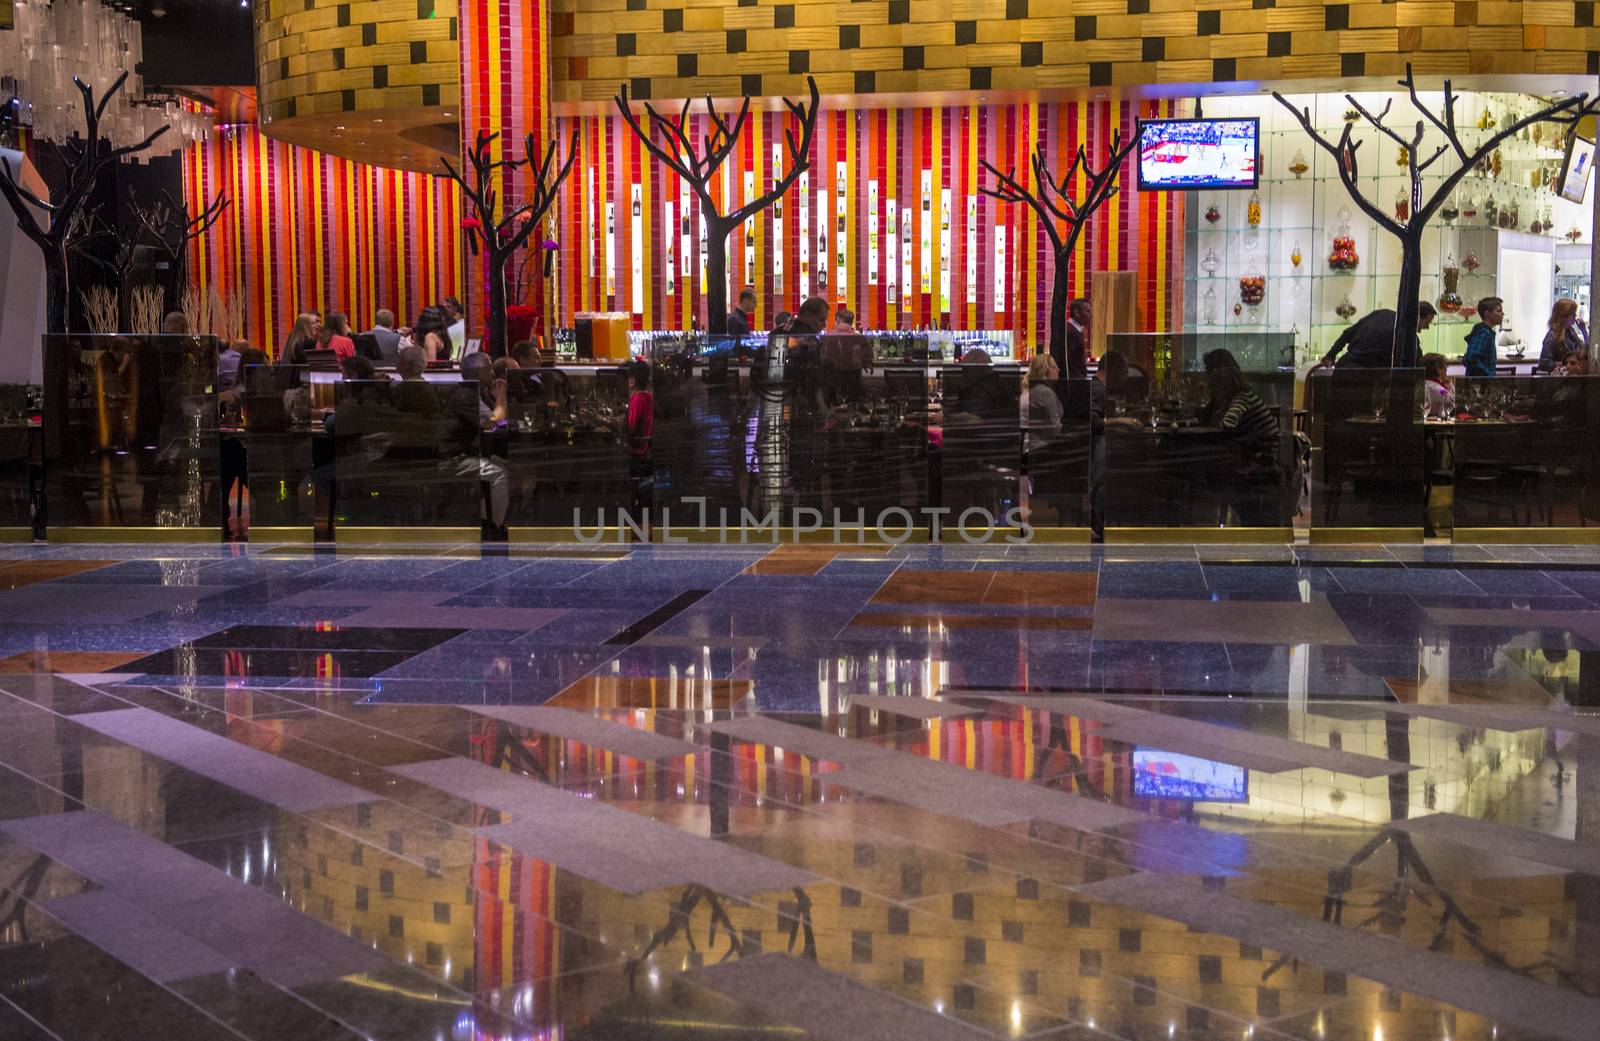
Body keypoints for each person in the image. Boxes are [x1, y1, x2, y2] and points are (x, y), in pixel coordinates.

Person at [457, 351, 510, 537]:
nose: (493, 373)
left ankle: (489, 516)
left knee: (508, 465)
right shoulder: (465, 396)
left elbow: (502, 420)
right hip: (459, 458)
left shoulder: (479, 393)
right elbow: (493, 423)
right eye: (489, 369)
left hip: (475, 453)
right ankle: (494, 525)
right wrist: (501, 397)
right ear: (477, 374)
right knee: (499, 474)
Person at [1319, 302, 1436, 369]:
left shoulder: (1381, 313)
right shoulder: (1406, 334)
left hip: (1344, 367)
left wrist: (1330, 355)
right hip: (1366, 377)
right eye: (1427, 323)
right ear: (1417, 317)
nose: (1427, 327)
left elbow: (1347, 333)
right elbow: (1418, 365)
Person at [1020, 351, 1063, 458]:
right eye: (1054, 367)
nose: (1058, 370)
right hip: (1041, 449)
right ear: (1044, 372)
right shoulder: (1045, 393)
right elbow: (1055, 428)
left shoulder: (1027, 390)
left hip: (1026, 446)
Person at [953, 348, 1013, 421]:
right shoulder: (1000, 383)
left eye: (966, 370)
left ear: (978, 369)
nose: (964, 375)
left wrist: (948, 417)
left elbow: (973, 420)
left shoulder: (982, 390)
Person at [1540, 298, 1586, 373]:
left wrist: (1584, 332)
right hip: (1561, 380)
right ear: (1564, 316)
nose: (1575, 315)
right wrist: (1564, 365)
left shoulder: (1571, 333)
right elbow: (1543, 363)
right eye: (1573, 313)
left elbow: (1583, 350)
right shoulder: (1552, 336)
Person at [1463, 296, 1503, 378]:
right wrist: (1488, 375)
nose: (1502, 314)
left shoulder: (1484, 331)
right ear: (1487, 314)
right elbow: (1470, 359)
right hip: (1480, 386)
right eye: (1499, 311)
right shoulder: (1484, 333)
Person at [1422, 353, 1455, 418]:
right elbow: (1453, 403)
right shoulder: (1440, 389)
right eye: (1446, 366)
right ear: (1439, 370)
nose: (1446, 370)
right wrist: (1450, 387)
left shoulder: (1421, 384)